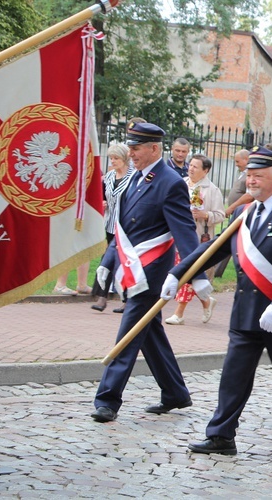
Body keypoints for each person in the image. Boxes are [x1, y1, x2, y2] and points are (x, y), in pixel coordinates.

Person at [167, 147, 272, 455]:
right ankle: (221, 435)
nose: (251, 181)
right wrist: (178, 273)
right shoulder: (246, 213)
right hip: (246, 314)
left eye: (258, 176)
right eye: (249, 176)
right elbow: (214, 249)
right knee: (234, 375)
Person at [90, 122, 210, 423]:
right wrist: (107, 261)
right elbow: (124, 229)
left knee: (130, 330)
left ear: (154, 149)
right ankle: (175, 393)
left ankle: (107, 399)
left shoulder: (170, 182)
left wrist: (197, 274)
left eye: (136, 147)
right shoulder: (134, 179)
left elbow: (185, 233)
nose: (130, 153)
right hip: (132, 266)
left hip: (152, 272)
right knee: (150, 331)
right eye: (130, 147)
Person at [164, 154, 226, 325]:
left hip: (198, 239)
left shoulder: (212, 190)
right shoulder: (181, 184)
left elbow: (220, 215)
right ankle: (206, 301)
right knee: (186, 272)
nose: (191, 169)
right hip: (177, 236)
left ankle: (179, 313)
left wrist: (205, 215)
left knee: (188, 272)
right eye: (190, 165)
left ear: (205, 171)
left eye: (195, 166)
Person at [91, 143, 134, 312]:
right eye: (111, 158)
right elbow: (102, 196)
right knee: (106, 260)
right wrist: (103, 203)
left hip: (126, 226)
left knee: (124, 262)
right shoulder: (108, 177)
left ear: (124, 159)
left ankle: (126, 298)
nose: (113, 161)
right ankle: (102, 297)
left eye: (116, 158)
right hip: (110, 225)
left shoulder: (133, 177)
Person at [224, 149, 252, 217]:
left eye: (237, 161)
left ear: (246, 159)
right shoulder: (243, 174)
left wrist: (231, 208)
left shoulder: (250, 175)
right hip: (238, 213)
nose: (236, 165)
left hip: (243, 213)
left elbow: (249, 196)